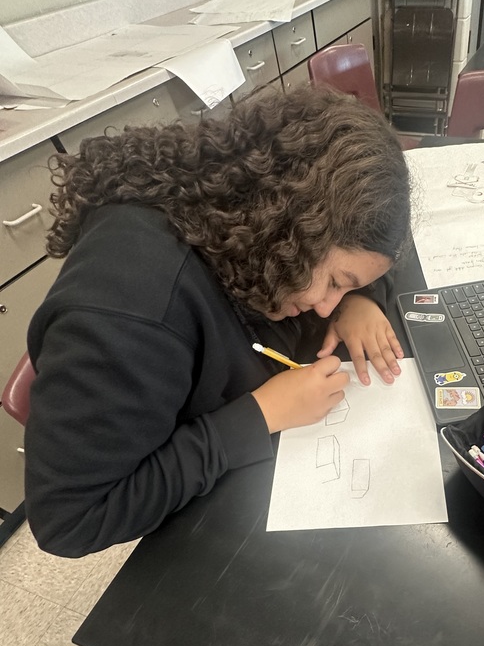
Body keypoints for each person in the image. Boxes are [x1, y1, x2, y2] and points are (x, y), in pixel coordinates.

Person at [24, 84, 412, 558]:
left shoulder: (244, 220)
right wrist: (260, 415)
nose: (328, 306)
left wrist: (362, 300)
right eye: (336, 282)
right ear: (291, 226)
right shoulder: (132, 320)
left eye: (347, 288)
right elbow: (71, 520)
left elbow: (367, 259)